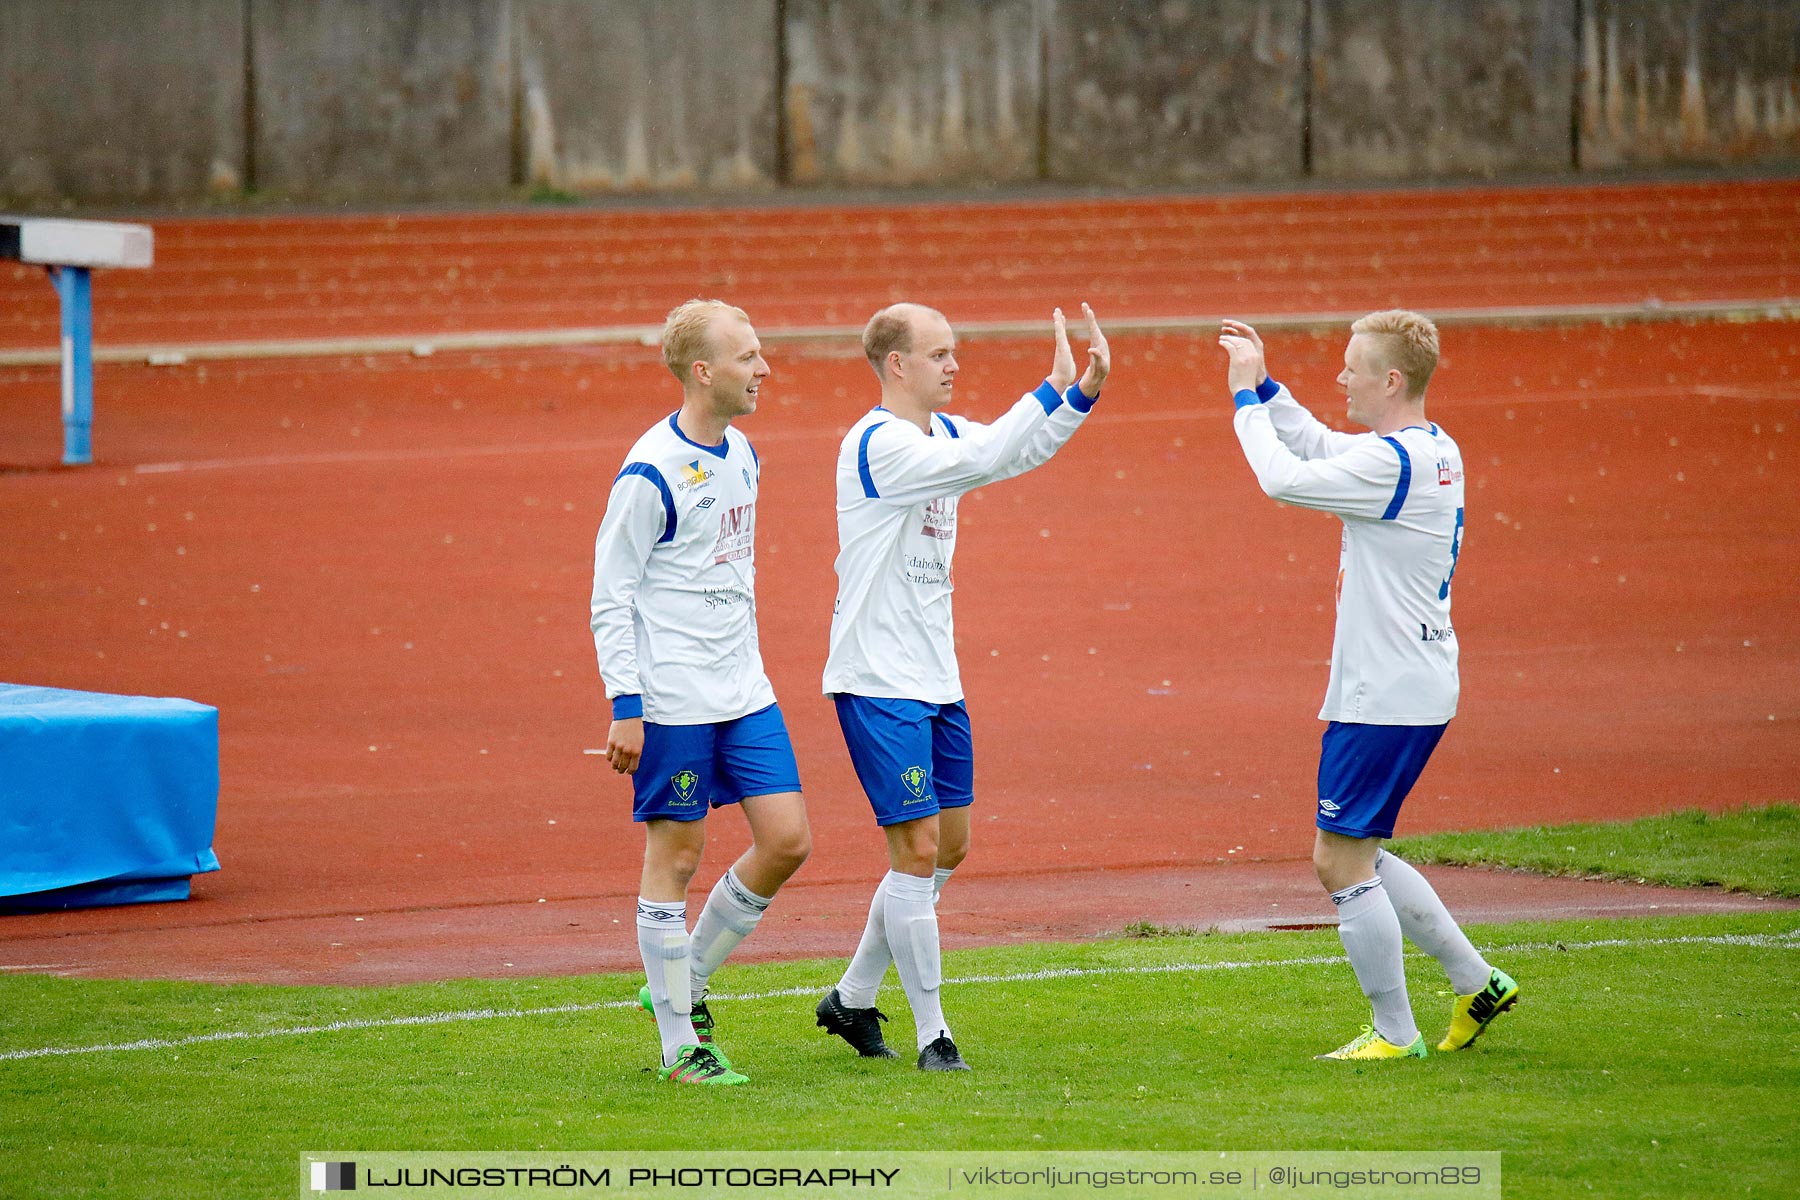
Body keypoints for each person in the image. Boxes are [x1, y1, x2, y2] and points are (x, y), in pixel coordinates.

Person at [815, 302, 1110, 1071]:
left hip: (936, 675)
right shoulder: (876, 444)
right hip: (878, 676)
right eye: (940, 354)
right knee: (914, 849)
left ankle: (849, 999)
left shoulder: (941, 434)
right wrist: (1048, 389)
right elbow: (988, 458)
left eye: (956, 354)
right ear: (898, 365)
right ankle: (933, 1034)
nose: (955, 366)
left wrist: (1077, 397)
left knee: (949, 846)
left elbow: (1005, 453)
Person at [1218, 311, 1518, 1061]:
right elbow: (1321, 446)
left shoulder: (1396, 465)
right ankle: (1477, 982)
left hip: (1384, 691)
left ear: (1391, 379)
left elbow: (1283, 478)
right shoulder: (1428, 449)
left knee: (1338, 859)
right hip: (1412, 681)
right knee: (1364, 849)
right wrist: (1267, 384)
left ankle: (1394, 1033)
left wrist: (1243, 400)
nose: (1340, 378)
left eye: (1352, 368)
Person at [590, 299, 812, 1086]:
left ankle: (687, 983)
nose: (765, 369)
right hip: (674, 698)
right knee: (676, 857)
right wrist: (627, 704)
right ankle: (681, 1045)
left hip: (744, 688)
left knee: (787, 840)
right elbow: (610, 594)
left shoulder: (745, 452)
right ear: (703, 372)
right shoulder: (649, 472)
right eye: (749, 357)